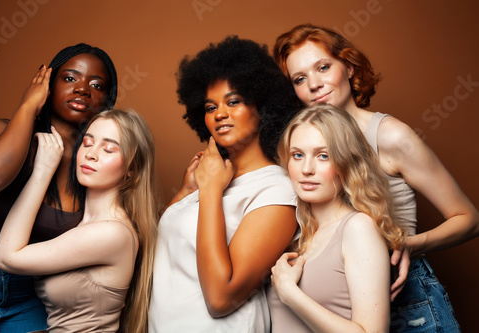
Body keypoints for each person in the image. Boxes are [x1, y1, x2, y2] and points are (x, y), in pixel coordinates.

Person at [273, 23, 479, 332]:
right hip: (342, 301)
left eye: (324, 67)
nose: (314, 85)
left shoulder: (391, 136)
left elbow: (469, 218)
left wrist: (410, 244)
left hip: (405, 296)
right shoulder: (303, 145)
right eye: (300, 79)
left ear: (350, 67)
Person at [148, 35, 300, 332]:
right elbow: (161, 249)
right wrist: (187, 190)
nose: (219, 114)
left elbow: (221, 297)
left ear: (263, 106)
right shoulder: (209, 176)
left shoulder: (277, 189)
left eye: (234, 101)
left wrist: (211, 191)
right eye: (209, 107)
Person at [0, 43, 118, 332]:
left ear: (107, 101)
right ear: (47, 84)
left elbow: (121, 229)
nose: (82, 89)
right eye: (70, 78)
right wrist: (29, 105)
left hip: (34, 294)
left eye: (96, 85)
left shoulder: (93, 169)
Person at [0, 109, 158, 333]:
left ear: (132, 169)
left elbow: (6, 257)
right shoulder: (81, 224)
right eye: (88, 143)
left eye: (108, 149)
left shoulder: (111, 233)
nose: (91, 154)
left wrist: (42, 171)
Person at [267, 104, 406, 332]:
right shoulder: (297, 233)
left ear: (347, 162)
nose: (307, 169)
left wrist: (290, 293)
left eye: (323, 156)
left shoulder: (358, 228)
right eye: (297, 155)